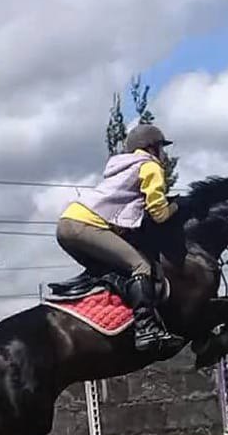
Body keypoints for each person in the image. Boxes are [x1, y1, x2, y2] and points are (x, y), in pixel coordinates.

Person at [56, 122, 183, 352]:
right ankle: (146, 329)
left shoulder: (122, 166)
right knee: (140, 266)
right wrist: (178, 205)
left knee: (112, 272)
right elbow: (159, 214)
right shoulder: (149, 166)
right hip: (85, 225)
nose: (163, 154)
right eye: (161, 148)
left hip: (66, 224)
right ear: (151, 148)